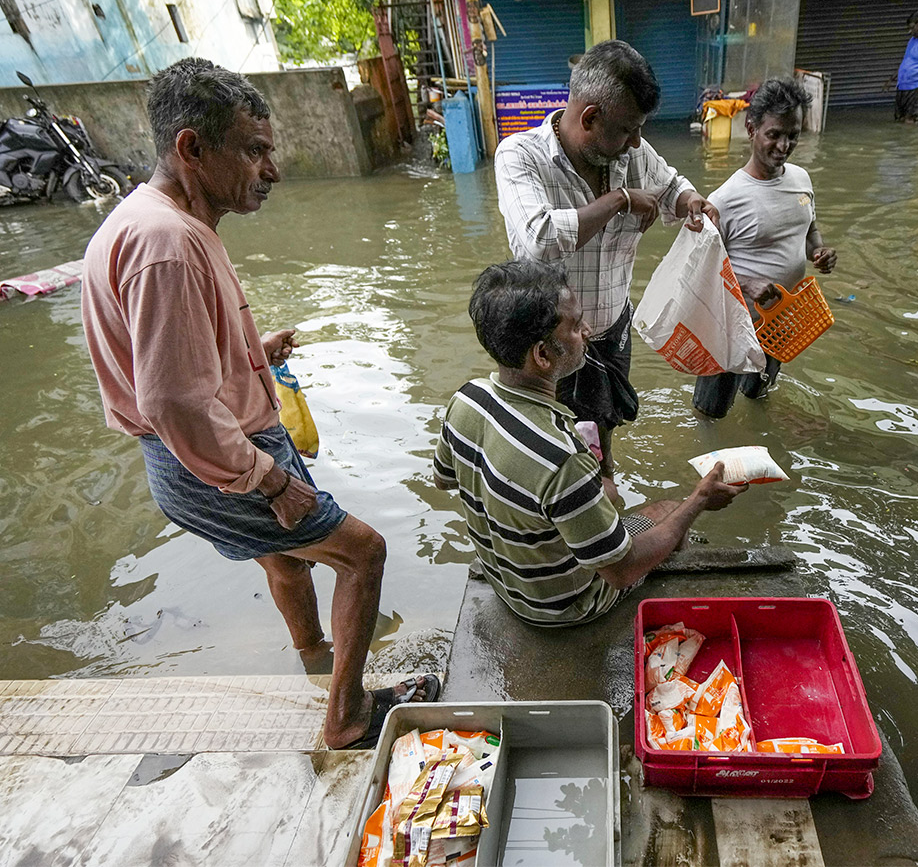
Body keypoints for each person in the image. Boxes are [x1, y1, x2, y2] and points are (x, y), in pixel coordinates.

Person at [79, 58, 437, 752]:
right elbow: (176, 401)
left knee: (287, 558)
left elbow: (167, 361)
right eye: (253, 151)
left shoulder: (146, 219)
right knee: (362, 553)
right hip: (213, 459)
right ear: (191, 149)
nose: (270, 171)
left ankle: (313, 656)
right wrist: (270, 480)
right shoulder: (168, 243)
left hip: (191, 455)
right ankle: (347, 716)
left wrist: (250, 352)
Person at [433, 260, 746, 627]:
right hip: (563, 608)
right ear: (543, 355)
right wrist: (698, 501)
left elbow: (444, 480)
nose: (587, 330)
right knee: (666, 513)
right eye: (576, 325)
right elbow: (621, 570)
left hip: (509, 586)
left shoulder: (467, 399)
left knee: (609, 502)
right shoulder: (562, 458)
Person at [494, 40, 719, 490]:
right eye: (628, 129)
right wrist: (619, 201)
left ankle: (606, 474)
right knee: (548, 441)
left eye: (640, 129)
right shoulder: (520, 156)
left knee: (604, 423)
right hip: (547, 340)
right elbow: (539, 239)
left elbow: (671, 184)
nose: (637, 141)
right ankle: (562, 508)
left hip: (610, 326)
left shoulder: (630, 152)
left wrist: (690, 200)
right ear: (590, 118)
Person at [693, 78, 837, 419]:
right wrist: (746, 284)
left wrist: (819, 250)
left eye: (793, 135)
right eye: (774, 134)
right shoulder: (725, 199)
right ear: (751, 128)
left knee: (759, 399)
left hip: (781, 323)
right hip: (732, 328)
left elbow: (809, 229)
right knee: (710, 414)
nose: (784, 145)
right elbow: (699, 269)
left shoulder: (801, 179)